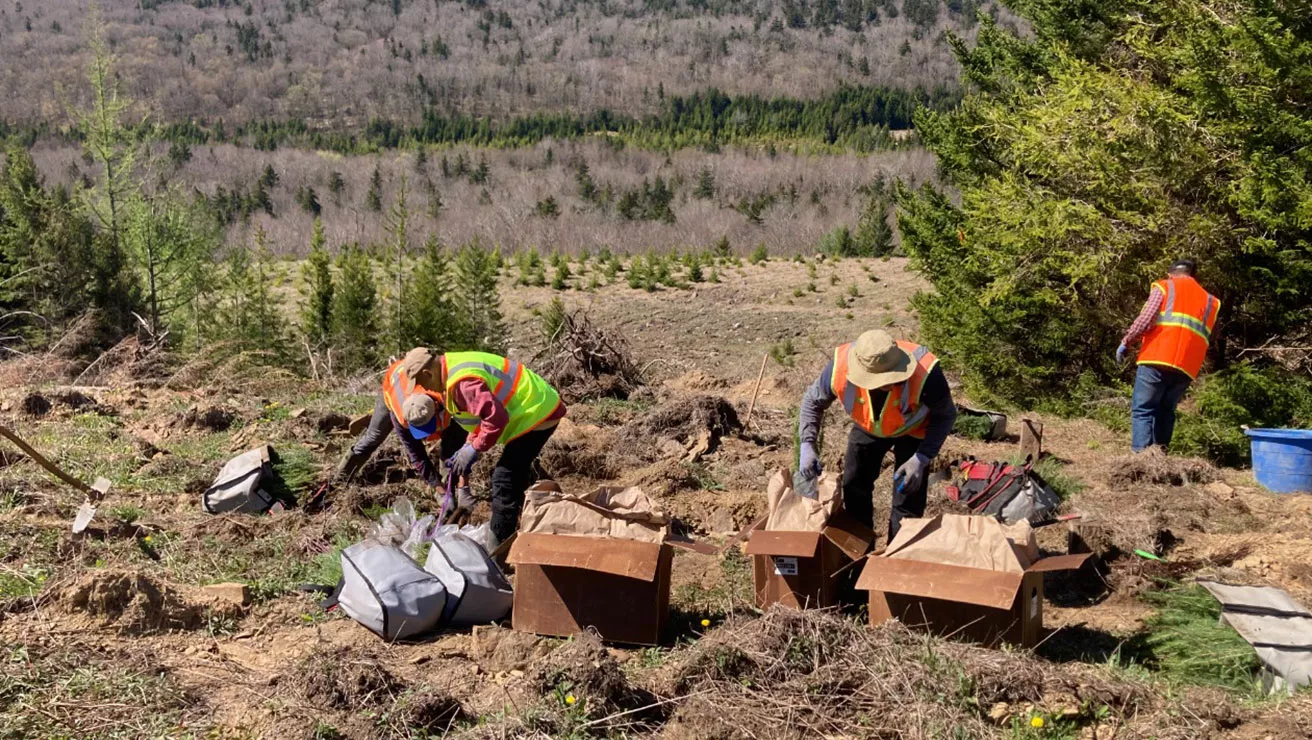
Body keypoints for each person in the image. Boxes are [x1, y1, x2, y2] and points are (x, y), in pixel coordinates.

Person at [336, 347, 565, 543]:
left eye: (422, 381)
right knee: (371, 438)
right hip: (532, 408)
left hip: (536, 413)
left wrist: (471, 456)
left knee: (504, 479)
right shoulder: (409, 409)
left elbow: (492, 420)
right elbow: (420, 454)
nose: (426, 439)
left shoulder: (456, 389)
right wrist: (438, 488)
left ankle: (498, 547)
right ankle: (339, 479)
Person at [797, 330, 957, 540]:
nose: (890, 383)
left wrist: (921, 458)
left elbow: (945, 416)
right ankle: (860, 553)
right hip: (868, 426)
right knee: (854, 487)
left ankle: (896, 559)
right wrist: (807, 445)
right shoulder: (839, 367)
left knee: (907, 498)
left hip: (914, 431)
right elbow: (813, 401)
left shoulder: (926, 372)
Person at [1117, 259, 1220, 452]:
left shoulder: (1165, 286)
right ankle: (1160, 457)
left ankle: (1141, 458)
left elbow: (1145, 320)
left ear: (1171, 273)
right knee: (1166, 411)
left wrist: (1126, 342)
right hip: (1187, 366)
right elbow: (1213, 336)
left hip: (1157, 357)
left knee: (1143, 409)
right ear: (1192, 275)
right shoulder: (1210, 301)